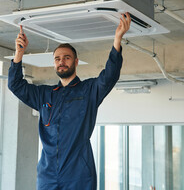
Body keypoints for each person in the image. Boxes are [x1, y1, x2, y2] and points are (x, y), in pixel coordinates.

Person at [8, 13, 131, 190]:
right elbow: (15, 85)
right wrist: (19, 54)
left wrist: (117, 39)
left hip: (78, 175)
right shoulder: (44, 94)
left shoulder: (89, 91)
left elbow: (109, 76)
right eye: (57, 59)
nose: (61, 62)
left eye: (66, 57)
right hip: (47, 175)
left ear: (75, 61)